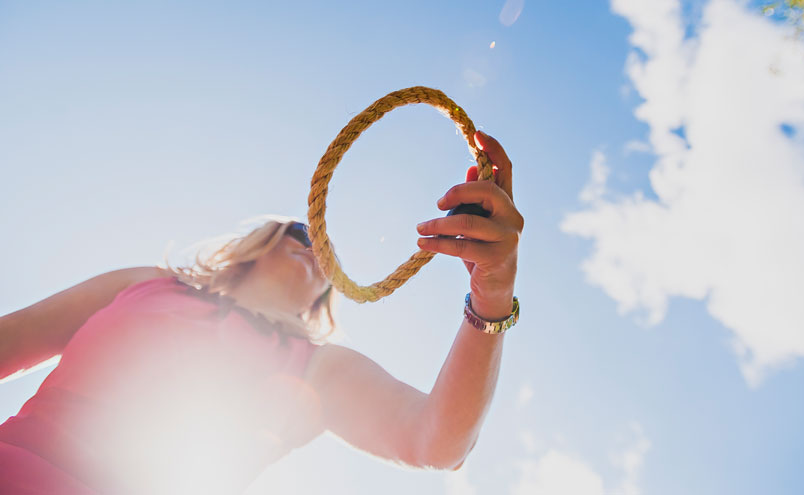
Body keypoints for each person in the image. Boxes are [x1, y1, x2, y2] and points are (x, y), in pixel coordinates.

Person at [0, 130, 523, 494]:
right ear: (261, 239)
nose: (315, 249)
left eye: (329, 255)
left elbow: (437, 441)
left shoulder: (318, 367)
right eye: (303, 233)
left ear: (329, 287)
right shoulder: (146, 284)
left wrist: (493, 293)